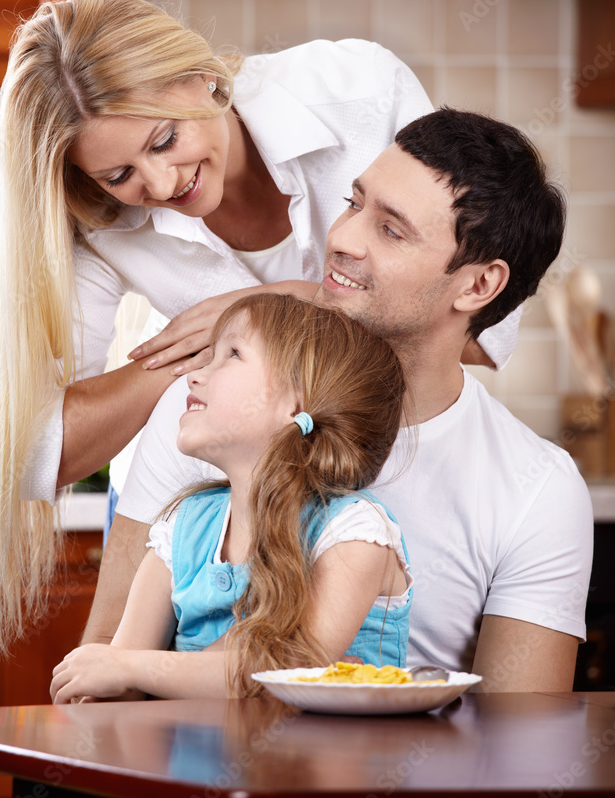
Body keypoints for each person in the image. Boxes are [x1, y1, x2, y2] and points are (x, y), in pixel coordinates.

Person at [0, 0, 515, 650]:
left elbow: (481, 331)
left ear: (203, 77)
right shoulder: (100, 222)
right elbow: (37, 456)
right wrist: (188, 353)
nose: (160, 181)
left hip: (386, 470)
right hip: (199, 505)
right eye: (119, 173)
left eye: (164, 139)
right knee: (132, 701)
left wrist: (280, 305)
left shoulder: (354, 92)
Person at [83, 108, 593, 692]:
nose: (343, 238)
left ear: (478, 285)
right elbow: (104, 670)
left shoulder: (537, 488)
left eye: (391, 230)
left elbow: (518, 742)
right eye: (354, 204)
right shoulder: (201, 411)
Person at [49, 294, 410, 702]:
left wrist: (130, 668)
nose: (195, 376)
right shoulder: (183, 529)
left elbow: (285, 668)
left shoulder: (353, 534)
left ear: (297, 401)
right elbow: (116, 686)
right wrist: (100, 686)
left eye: (232, 354)